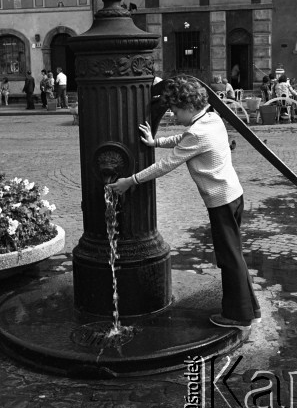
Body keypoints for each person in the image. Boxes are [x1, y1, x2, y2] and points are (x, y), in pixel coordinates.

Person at [107, 75, 261, 330]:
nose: (175, 116)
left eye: (176, 110)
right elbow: (184, 138)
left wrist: (130, 181)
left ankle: (239, 316)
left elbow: (166, 164)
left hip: (221, 202)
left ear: (188, 106)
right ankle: (249, 309)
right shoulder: (211, 119)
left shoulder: (199, 132)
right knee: (234, 254)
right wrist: (155, 142)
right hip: (234, 196)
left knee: (228, 257)